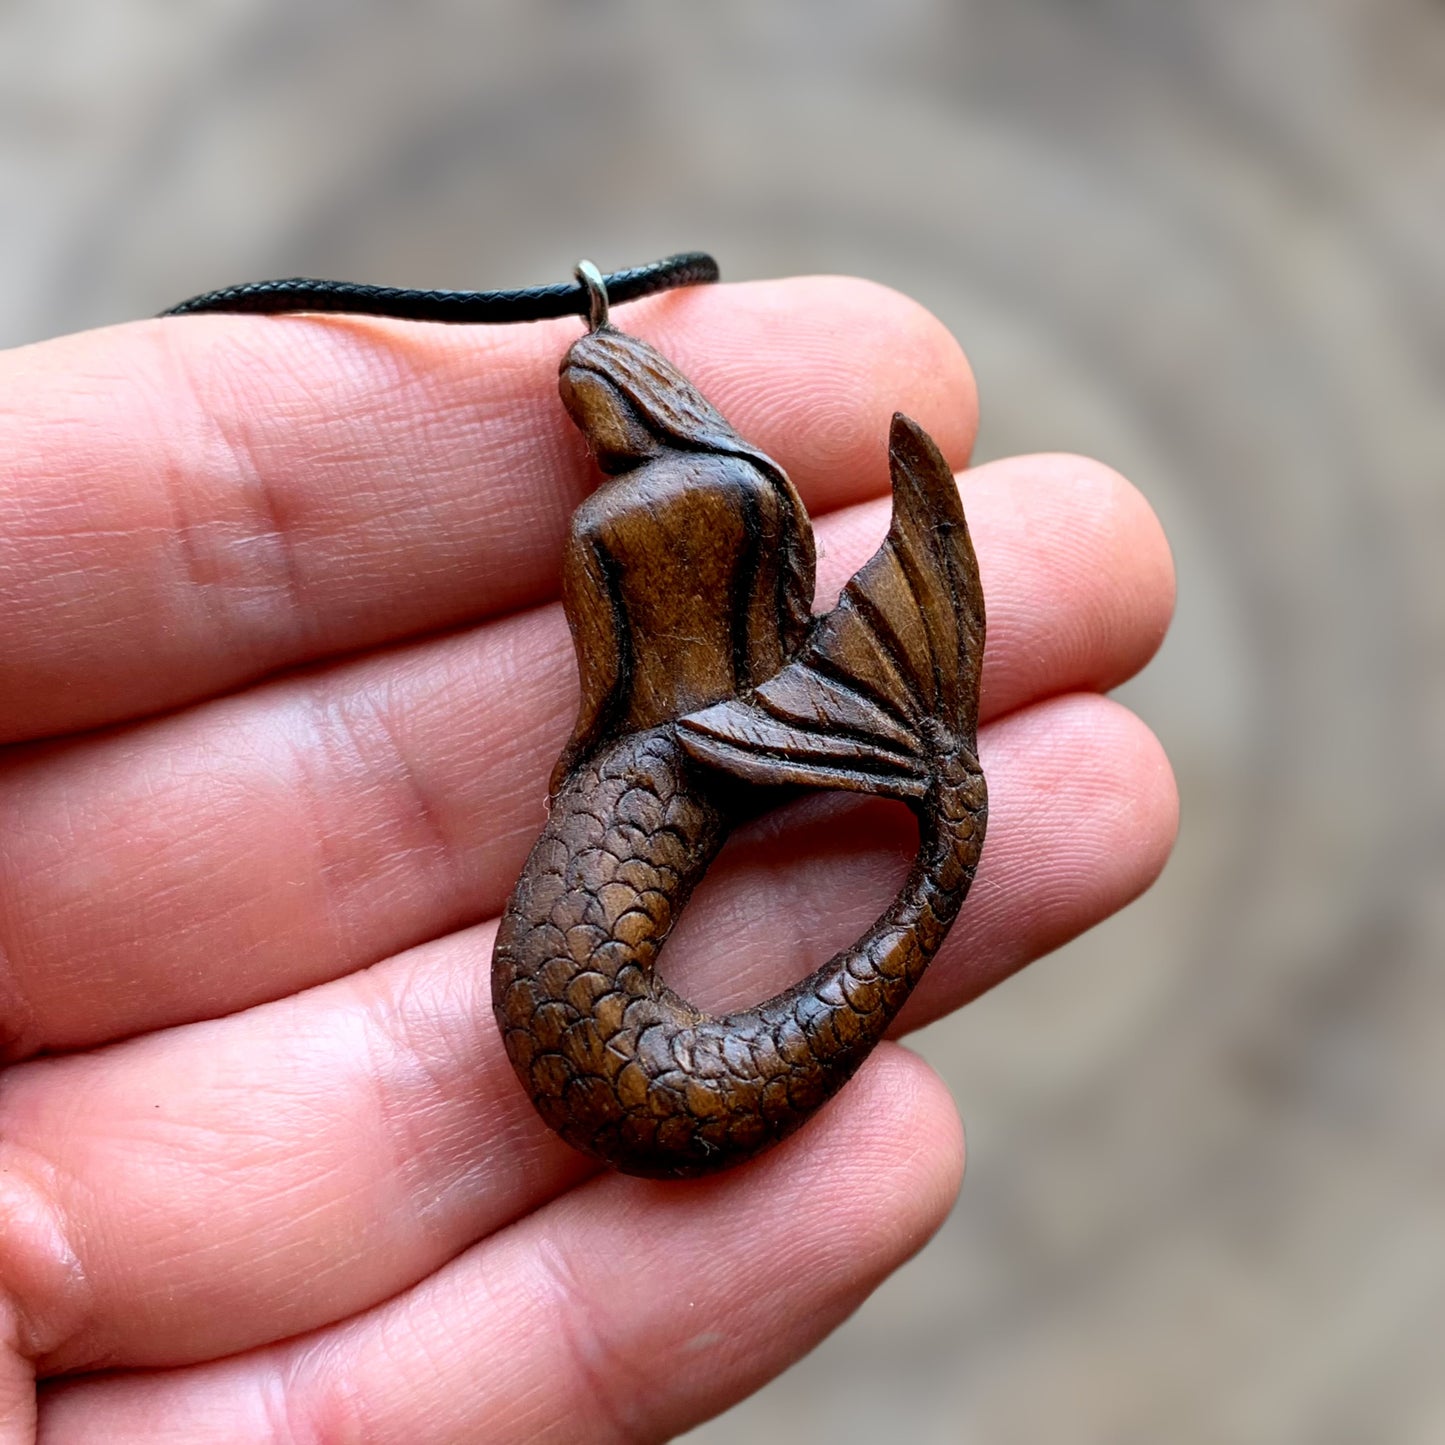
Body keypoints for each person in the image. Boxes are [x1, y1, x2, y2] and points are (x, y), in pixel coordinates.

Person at [0, 275, 1177, 1442]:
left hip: (649, 763)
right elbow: (741, 603)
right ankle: (911, 803)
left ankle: (904, 804)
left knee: (598, 1023)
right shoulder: (749, 484)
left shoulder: (609, 524)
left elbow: (608, 665)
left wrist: (607, 769)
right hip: (699, 756)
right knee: (610, 1031)